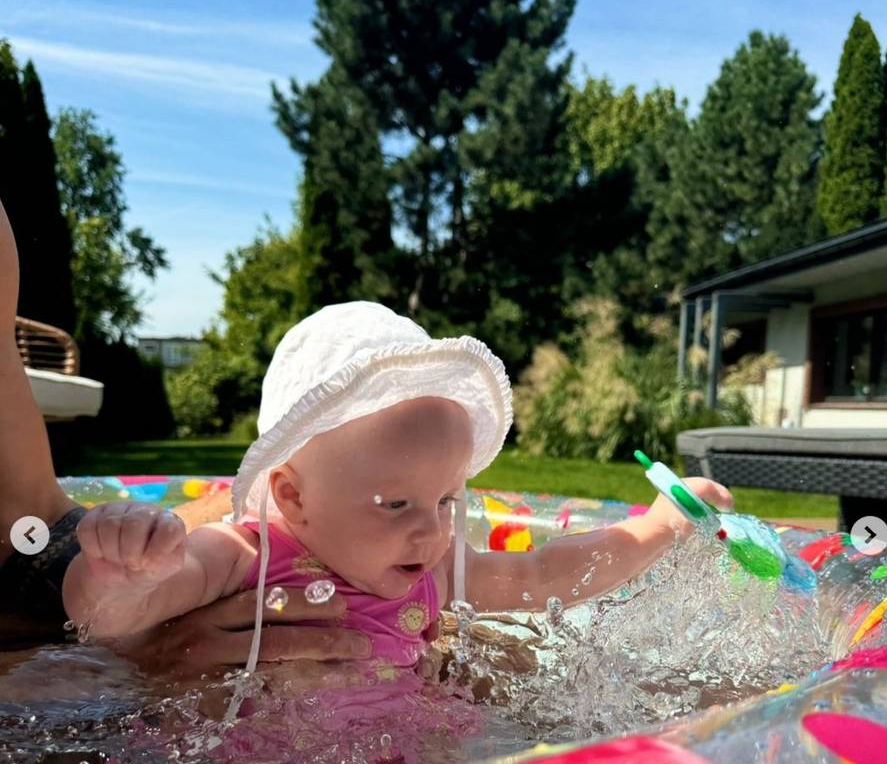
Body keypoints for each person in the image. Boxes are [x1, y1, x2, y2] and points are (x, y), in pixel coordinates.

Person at [62, 302, 733, 671]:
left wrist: (661, 526)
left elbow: (548, 573)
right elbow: (112, 620)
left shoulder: (432, 570)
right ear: (292, 496)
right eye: (396, 503)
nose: (432, 529)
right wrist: (123, 571)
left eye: (447, 499)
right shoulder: (244, 555)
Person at [0, 196, 368, 671]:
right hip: (41, 569)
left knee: (308, 527)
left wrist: (146, 595)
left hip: (41, 540)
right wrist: (133, 656)